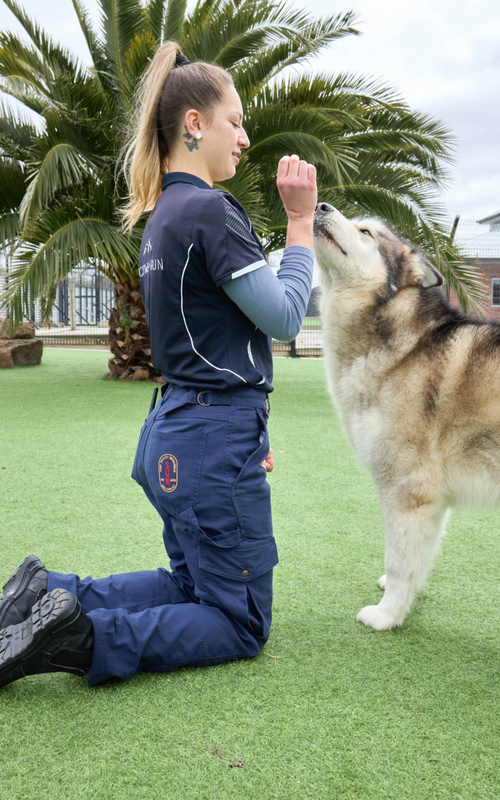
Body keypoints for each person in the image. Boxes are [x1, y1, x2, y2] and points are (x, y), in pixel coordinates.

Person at [0, 41, 317, 689]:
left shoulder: (163, 217)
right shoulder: (208, 210)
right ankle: (81, 637)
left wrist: (246, 429)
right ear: (194, 124)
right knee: (238, 621)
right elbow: (285, 317)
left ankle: (45, 593)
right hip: (206, 445)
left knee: (189, 583)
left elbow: (212, 339)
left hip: (176, 435)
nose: (245, 136)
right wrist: (300, 222)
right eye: (235, 121)